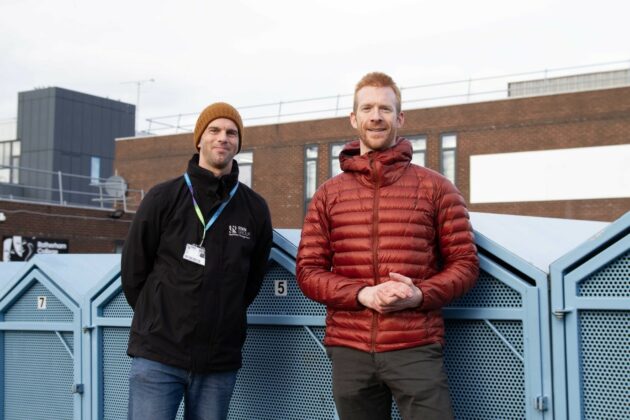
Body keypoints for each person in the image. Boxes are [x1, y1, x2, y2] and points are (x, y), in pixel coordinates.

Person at [296, 72, 479, 420]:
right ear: (354, 118)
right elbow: (307, 272)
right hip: (350, 349)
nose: (376, 116)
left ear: (400, 118)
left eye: (385, 108)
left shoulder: (437, 188)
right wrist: (363, 294)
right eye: (367, 108)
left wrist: (420, 296)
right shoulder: (328, 194)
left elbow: (465, 265)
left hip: (415, 346)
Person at [121, 102, 273, 420]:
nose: (223, 138)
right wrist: (158, 319)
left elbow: (252, 280)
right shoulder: (163, 198)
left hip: (218, 362)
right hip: (158, 356)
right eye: (214, 130)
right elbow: (134, 272)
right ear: (199, 140)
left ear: (238, 143)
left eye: (231, 133)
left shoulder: (254, 209)